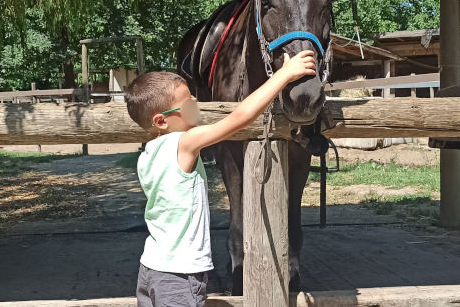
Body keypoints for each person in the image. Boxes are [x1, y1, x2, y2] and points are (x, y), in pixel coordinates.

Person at [124, 50, 317, 307]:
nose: (196, 104)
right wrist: (284, 74)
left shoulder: (147, 154)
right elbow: (240, 117)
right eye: (188, 104)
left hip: (151, 268)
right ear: (161, 121)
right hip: (178, 276)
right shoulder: (184, 144)